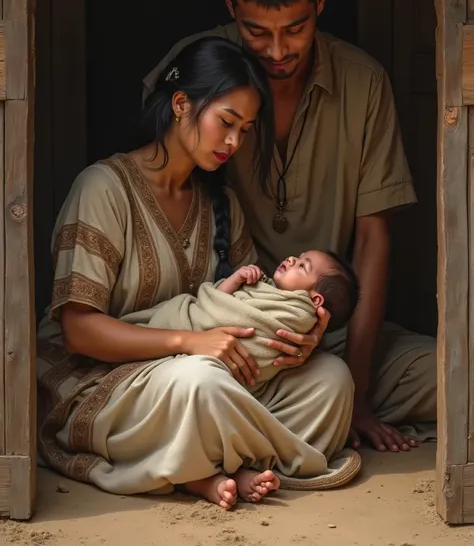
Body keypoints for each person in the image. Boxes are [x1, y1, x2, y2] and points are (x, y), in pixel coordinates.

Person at [143, 0, 437, 453]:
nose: (277, 51)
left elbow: (372, 242)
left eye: (296, 29)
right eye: (256, 32)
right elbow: (161, 187)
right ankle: (280, 420)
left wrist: (361, 391)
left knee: (452, 378)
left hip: (332, 333)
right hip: (223, 330)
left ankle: (275, 418)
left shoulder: (363, 82)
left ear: (321, 0)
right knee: (194, 383)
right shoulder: (196, 69)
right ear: (230, 5)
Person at [37, 36, 361, 513]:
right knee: (198, 383)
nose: (234, 142)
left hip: (208, 375)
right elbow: (78, 330)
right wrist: (188, 342)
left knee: (332, 379)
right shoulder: (103, 188)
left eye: (245, 129)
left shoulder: (221, 202)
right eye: (226, 122)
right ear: (182, 104)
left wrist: (294, 335)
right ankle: (223, 460)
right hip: (107, 384)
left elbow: (258, 300)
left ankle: (201, 462)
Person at [127, 251, 359, 392]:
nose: (291, 259)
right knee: (198, 380)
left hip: (234, 375)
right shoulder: (262, 285)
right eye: (298, 257)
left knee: (333, 378)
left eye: (301, 265)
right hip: (188, 347)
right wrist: (237, 279)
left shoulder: (296, 315)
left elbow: (265, 337)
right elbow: (217, 302)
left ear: (315, 300)